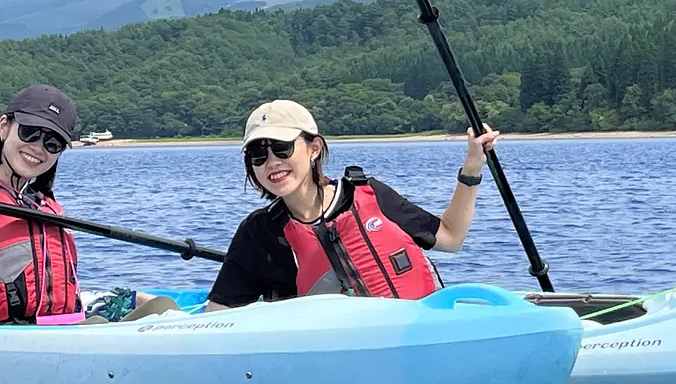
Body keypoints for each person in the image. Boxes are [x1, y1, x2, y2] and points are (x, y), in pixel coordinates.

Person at [0, 83, 178, 326]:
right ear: (4, 127)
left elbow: (62, 302)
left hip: (53, 332)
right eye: (30, 132)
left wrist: (128, 301)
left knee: (161, 306)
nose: (39, 148)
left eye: (53, 142)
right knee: (96, 327)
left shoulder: (44, 207)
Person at [204, 99, 499, 311]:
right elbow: (219, 313)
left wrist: (472, 167)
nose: (272, 162)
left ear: (314, 149)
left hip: (416, 336)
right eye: (258, 154)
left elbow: (450, 237)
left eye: (282, 148)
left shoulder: (369, 194)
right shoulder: (259, 233)